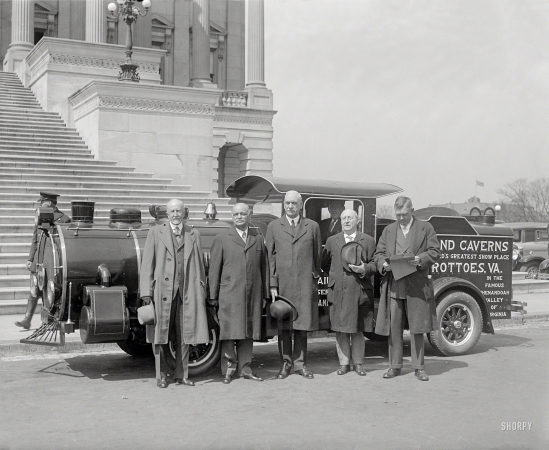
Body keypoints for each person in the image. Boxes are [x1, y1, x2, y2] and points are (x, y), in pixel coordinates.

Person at [139, 199, 209, 388]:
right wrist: (146, 292)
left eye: (179, 211)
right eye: (172, 211)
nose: (176, 214)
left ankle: (182, 374)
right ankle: (161, 375)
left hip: (186, 292)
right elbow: (147, 265)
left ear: (184, 212)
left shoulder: (194, 233)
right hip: (162, 292)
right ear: (167, 214)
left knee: (185, 334)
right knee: (160, 335)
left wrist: (201, 288)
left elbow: (200, 266)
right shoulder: (155, 232)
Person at [374, 196, 440, 381]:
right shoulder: (388, 230)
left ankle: (419, 367)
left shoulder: (426, 228)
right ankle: (394, 366)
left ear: (412, 210)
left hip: (417, 286)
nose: (401, 218)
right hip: (395, 286)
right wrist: (383, 265)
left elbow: (435, 251)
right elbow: (378, 254)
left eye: (404, 214)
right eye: (398, 215)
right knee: (394, 328)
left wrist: (421, 259)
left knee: (417, 328)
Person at [208, 203, 269, 384]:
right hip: (229, 293)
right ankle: (228, 369)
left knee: (247, 332)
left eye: (243, 214)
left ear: (249, 216)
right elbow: (214, 269)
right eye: (236, 214)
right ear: (232, 216)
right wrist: (213, 295)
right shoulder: (222, 238)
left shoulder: (257, 238)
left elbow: (263, 267)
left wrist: (265, 294)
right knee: (229, 332)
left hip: (252, 295)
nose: (240, 217)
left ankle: (245, 368)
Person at [265, 190, 322, 379]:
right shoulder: (274, 226)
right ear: (283, 204)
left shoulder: (312, 226)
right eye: (287, 203)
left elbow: (317, 257)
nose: (290, 206)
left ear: (301, 205)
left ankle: (300, 364)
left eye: (294, 203)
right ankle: (285, 364)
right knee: (284, 327)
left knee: (302, 326)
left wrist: (312, 277)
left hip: (305, 284)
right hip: (283, 286)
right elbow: (270, 258)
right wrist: (273, 284)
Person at [321, 209, 376, 376]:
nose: (346, 221)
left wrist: (364, 268)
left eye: (350, 218)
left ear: (357, 221)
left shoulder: (368, 240)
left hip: (359, 291)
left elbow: (375, 264)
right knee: (340, 328)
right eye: (344, 218)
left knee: (358, 329)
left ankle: (358, 364)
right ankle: (344, 364)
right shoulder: (332, 241)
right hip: (338, 291)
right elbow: (324, 263)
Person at [15, 192, 71, 330]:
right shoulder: (40, 216)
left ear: (50, 203)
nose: (40, 204)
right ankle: (27, 319)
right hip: (38, 259)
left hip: (51, 262)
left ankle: (48, 321)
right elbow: (35, 238)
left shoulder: (64, 219)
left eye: (42, 202)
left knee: (49, 291)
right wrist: (30, 258)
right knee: (34, 289)